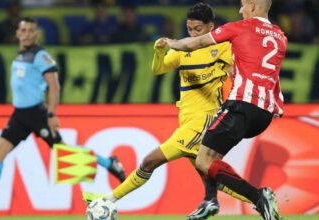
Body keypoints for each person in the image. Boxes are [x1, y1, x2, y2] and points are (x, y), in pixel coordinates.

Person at [83, 3, 245, 220]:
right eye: (190, 29)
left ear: (211, 27)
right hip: (186, 120)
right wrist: (159, 51)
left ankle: (108, 199)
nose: (193, 34)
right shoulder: (183, 49)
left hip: (203, 120)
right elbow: (158, 69)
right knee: (211, 174)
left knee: (151, 160)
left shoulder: (223, 48)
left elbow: (240, 69)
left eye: (198, 29)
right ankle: (259, 198)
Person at [0, 17, 125, 216]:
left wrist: (52, 114)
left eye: (31, 30)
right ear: (17, 33)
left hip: (37, 114)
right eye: (24, 30)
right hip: (19, 115)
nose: (28, 33)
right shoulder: (21, 54)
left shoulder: (40, 55)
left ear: (36, 33)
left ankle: (109, 163)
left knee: (65, 153)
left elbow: (54, 85)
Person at [166, 0, 287, 219]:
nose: (240, 10)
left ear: (251, 6)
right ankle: (209, 200)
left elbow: (195, 43)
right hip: (265, 114)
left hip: (242, 105)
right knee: (211, 152)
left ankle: (259, 197)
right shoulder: (280, 37)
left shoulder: (239, 27)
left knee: (203, 160)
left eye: (242, 5)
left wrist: (172, 43)